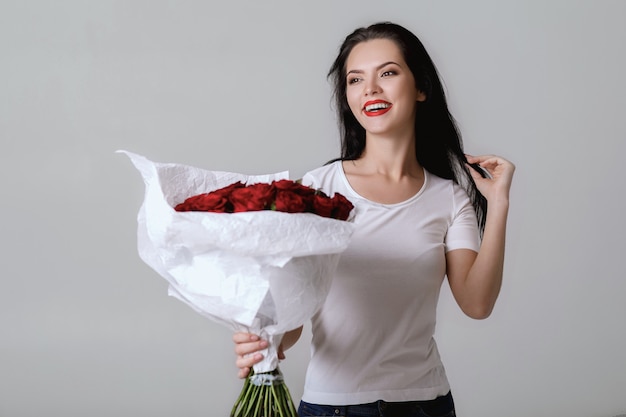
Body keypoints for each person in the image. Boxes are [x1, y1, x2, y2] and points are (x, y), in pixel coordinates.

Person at [233, 21, 515, 417]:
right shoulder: (317, 189)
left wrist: (499, 204)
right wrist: (269, 339)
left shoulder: (449, 199)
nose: (370, 89)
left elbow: (477, 302)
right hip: (332, 406)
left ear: (421, 88)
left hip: (425, 403)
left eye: (388, 73)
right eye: (355, 79)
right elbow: (297, 301)